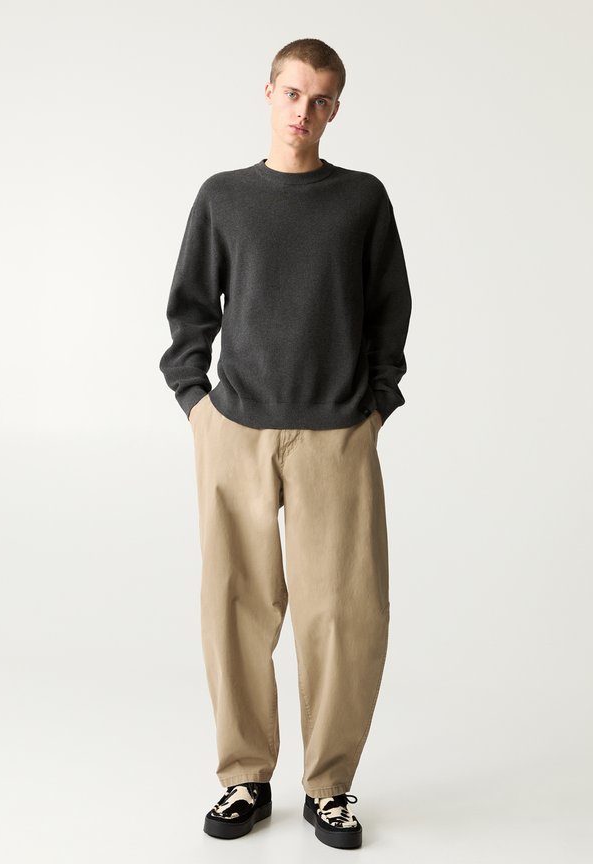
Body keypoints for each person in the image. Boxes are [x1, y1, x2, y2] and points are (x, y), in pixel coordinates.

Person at [159, 37, 412, 850]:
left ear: (336, 109)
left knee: (344, 613)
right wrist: (197, 404)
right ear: (268, 93)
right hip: (235, 430)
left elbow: (390, 311)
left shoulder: (361, 199)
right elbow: (189, 310)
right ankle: (244, 777)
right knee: (234, 607)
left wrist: (377, 406)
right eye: (294, 92)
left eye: (322, 98)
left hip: (337, 433)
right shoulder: (224, 197)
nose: (306, 111)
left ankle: (329, 786)